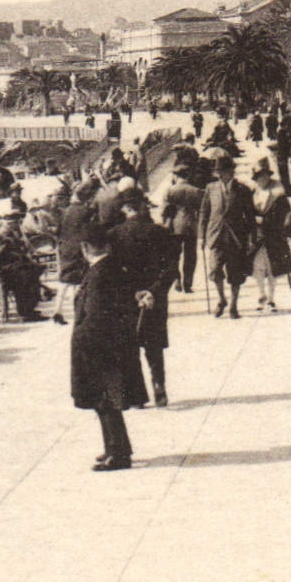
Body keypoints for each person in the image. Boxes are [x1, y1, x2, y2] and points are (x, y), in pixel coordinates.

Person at [71, 226, 147, 471]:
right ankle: (116, 447)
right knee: (106, 400)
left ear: (85, 249)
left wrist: (82, 341)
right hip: (114, 345)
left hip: (99, 347)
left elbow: (93, 315)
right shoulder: (112, 268)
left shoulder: (98, 274)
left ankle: (119, 453)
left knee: (104, 401)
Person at [111, 197, 179, 406]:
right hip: (155, 297)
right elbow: (172, 268)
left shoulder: (114, 235)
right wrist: (153, 292)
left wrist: (131, 292)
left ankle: (135, 396)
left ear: (125, 209)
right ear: (142, 208)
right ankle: (159, 387)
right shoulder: (160, 232)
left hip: (126, 298)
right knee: (154, 346)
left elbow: (111, 273)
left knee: (128, 345)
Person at [198, 149, 256, 318]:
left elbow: (250, 215)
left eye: (222, 171)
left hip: (236, 238)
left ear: (231, 171)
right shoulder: (211, 188)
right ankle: (222, 298)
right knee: (214, 270)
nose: (220, 175)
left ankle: (233, 306)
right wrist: (201, 236)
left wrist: (252, 238)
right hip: (215, 236)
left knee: (235, 274)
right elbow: (204, 212)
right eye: (218, 172)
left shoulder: (243, 190)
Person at [248, 156, 291, 313]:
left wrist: (287, 229)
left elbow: (287, 213)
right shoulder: (252, 192)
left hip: (273, 234)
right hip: (257, 235)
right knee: (257, 267)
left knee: (272, 268)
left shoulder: (278, 193)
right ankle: (261, 294)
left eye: (264, 176)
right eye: (259, 176)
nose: (262, 179)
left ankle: (271, 299)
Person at [53, 180, 98, 324]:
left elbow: (58, 231)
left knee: (64, 281)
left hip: (65, 248)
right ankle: (78, 312)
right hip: (78, 249)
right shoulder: (85, 212)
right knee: (80, 281)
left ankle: (57, 311)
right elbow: (88, 232)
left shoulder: (65, 211)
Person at [161, 164, 204, 293]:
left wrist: (164, 225)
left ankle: (177, 279)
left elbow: (164, 211)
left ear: (176, 175)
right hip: (192, 226)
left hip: (175, 226)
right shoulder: (196, 191)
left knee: (174, 255)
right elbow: (202, 211)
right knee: (190, 256)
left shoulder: (170, 191)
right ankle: (188, 283)